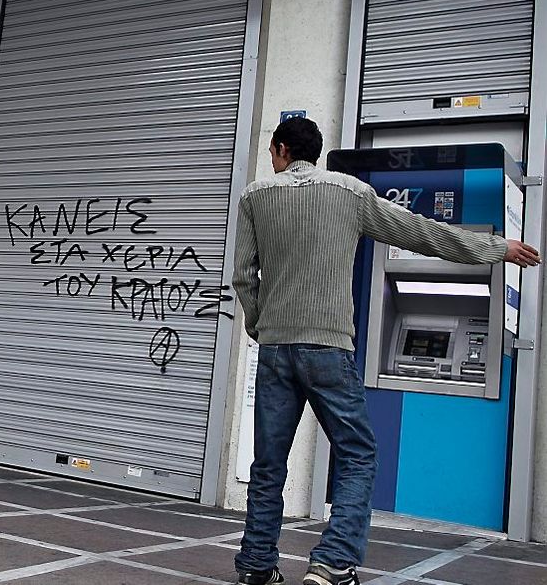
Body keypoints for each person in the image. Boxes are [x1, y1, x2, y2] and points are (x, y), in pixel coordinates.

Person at [231, 117, 541, 585]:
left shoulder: (255, 196)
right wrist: (494, 247)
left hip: (276, 349)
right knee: (357, 453)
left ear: (279, 150)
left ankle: (256, 567)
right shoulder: (350, 194)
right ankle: (332, 563)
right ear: (314, 152)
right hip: (328, 348)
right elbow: (421, 232)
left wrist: (261, 326)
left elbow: (243, 277)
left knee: (269, 463)